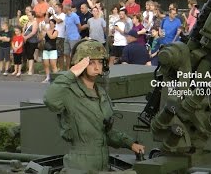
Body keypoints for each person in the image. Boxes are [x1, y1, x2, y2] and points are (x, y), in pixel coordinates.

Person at [43, 39, 145, 172]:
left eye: (100, 62)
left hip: (102, 163)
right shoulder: (69, 92)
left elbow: (104, 132)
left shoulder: (101, 93)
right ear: (81, 64)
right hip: (80, 165)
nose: (97, 67)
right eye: (91, 63)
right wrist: (72, 73)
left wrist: (129, 143)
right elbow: (50, 100)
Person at [63, 4, 81, 70]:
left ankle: (75, 68)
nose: (63, 10)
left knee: (74, 54)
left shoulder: (74, 16)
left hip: (74, 37)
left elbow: (79, 26)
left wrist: (77, 34)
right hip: (67, 37)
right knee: (66, 53)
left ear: (67, 9)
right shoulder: (66, 16)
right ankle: (68, 68)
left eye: (64, 8)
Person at [23, 11, 39, 75]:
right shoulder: (27, 22)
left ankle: (30, 70)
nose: (28, 16)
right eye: (28, 15)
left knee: (30, 55)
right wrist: (23, 35)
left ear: (33, 15)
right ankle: (30, 69)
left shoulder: (35, 23)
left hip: (32, 41)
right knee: (27, 55)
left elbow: (33, 32)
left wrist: (26, 37)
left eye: (29, 15)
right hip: (26, 41)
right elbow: (24, 30)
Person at [52, 3, 66, 71]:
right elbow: (47, 21)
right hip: (53, 36)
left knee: (60, 54)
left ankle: (61, 68)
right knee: (54, 53)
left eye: (56, 7)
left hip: (60, 36)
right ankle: (55, 68)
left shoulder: (63, 15)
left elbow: (58, 21)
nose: (55, 9)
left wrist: (52, 15)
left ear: (60, 8)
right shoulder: (54, 15)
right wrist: (47, 13)